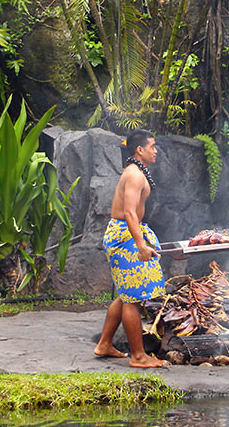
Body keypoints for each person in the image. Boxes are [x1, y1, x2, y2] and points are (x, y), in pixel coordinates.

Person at [93, 128, 168, 368]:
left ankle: (104, 344)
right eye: (152, 146)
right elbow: (128, 213)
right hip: (124, 236)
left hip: (126, 233)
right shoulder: (135, 175)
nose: (155, 151)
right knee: (132, 299)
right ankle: (138, 356)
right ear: (139, 149)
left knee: (126, 294)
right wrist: (140, 245)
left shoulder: (136, 172)